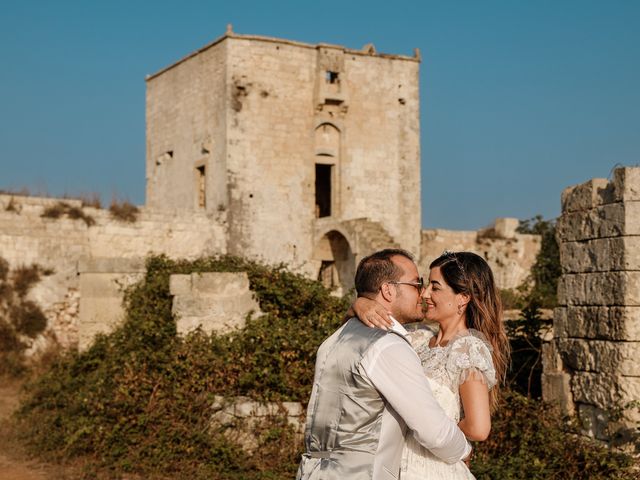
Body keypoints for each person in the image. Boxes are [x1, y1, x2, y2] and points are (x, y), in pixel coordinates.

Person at [296, 249, 472, 480]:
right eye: (416, 283)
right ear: (388, 290)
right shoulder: (389, 346)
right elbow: (433, 431)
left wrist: (357, 305)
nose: (422, 293)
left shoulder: (333, 340)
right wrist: (464, 451)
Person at [353, 251, 510, 479]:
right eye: (425, 285)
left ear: (462, 297)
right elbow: (362, 337)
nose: (424, 294)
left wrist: (442, 435)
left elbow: (478, 427)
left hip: (432, 469)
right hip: (392, 465)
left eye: (435, 287)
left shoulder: (467, 348)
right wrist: (359, 304)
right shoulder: (417, 338)